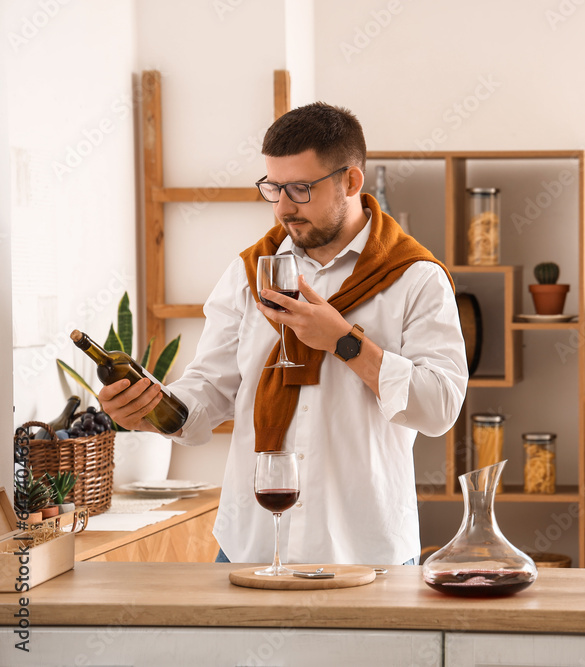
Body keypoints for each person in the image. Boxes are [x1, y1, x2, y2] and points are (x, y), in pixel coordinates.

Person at [98, 103, 469, 566]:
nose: (283, 207)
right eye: (273, 188)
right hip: (250, 545)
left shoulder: (415, 278)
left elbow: (439, 408)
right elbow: (211, 389)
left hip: (365, 550)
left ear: (351, 182)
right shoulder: (248, 272)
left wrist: (343, 342)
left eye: (300, 188)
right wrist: (153, 409)